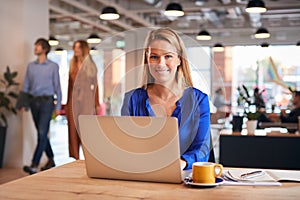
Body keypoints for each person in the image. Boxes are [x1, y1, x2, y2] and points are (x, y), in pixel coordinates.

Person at [121, 27, 211, 170]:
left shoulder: (199, 101)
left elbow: (202, 149)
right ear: (147, 59)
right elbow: (126, 145)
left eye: (168, 56)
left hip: (183, 181)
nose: (160, 63)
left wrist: (179, 164)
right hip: (142, 178)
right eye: (154, 57)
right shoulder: (131, 99)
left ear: (179, 60)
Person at [22, 38, 62, 174]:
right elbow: (26, 85)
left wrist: (58, 108)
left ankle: (34, 164)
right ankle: (51, 159)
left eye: (37, 46)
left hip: (47, 102)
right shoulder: (30, 66)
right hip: (34, 102)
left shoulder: (53, 66)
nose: (35, 48)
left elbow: (58, 88)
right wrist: (24, 103)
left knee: (41, 133)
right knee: (42, 134)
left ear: (44, 49)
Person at [65, 40, 101, 160]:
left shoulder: (90, 65)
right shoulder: (72, 65)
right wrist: (66, 103)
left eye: (78, 48)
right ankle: (75, 158)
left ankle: (88, 157)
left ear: (84, 49)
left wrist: (96, 103)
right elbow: (69, 86)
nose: (75, 50)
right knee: (72, 129)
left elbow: (95, 85)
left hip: (86, 100)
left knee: (85, 129)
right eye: (74, 47)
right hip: (73, 101)